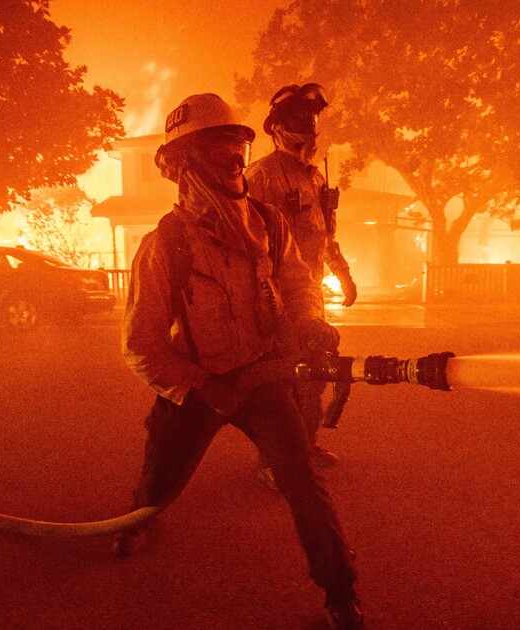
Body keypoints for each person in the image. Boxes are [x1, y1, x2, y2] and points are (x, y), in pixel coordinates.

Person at [116, 93, 364, 629]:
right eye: (218, 148)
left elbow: (298, 285)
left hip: (259, 377)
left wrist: (309, 323)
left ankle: (340, 591)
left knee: (301, 478)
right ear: (183, 165)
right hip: (195, 385)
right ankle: (137, 518)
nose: (233, 159)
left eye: (237, 146)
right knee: (159, 482)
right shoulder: (165, 244)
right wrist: (202, 388)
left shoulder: (270, 225)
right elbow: (141, 345)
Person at [245, 83, 357, 482]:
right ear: (276, 128)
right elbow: (248, 243)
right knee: (283, 383)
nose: (307, 127)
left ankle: (305, 446)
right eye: (298, 119)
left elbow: (325, 234)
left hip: (310, 296)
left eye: (310, 120)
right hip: (276, 298)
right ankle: (274, 461)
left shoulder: (315, 178)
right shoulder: (260, 177)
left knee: (315, 374)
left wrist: (342, 273)